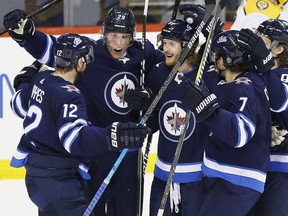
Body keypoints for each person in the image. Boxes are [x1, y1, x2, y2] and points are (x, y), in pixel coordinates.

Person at [3, 7, 163, 216]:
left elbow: (170, 72)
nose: (118, 43)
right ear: (104, 33)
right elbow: (52, 49)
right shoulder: (89, 54)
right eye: (113, 35)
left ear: (132, 36)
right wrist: (27, 35)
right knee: (92, 209)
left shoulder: (144, 55)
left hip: (128, 154)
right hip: (95, 151)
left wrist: (149, 94)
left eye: (125, 36)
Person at [180, 30, 272, 216]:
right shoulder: (227, 82)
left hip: (238, 180)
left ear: (223, 61)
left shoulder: (246, 87)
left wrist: (210, 112)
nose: (213, 62)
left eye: (217, 57)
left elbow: (240, 133)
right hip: (221, 176)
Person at [239, 19, 288, 216]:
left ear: (278, 50)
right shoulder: (251, 73)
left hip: (280, 166)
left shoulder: (284, 75)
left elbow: (281, 106)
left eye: (263, 39)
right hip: (251, 167)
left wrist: (265, 67)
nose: (256, 42)